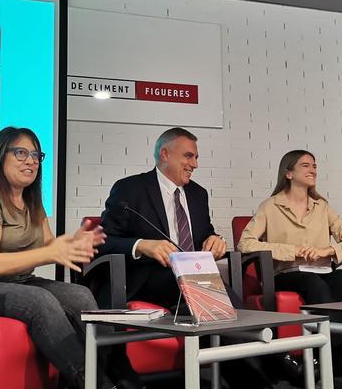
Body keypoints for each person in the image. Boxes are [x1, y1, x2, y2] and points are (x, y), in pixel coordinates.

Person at [0, 127, 142, 389]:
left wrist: (73, 244)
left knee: (79, 295)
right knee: (39, 300)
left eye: (36, 155)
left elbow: (50, 244)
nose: (31, 161)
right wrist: (52, 252)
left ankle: (118, 375)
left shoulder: (31, 199)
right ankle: (95, 384)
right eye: (20, 153)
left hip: (13, 282)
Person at [99, 127, 273, 389]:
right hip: (147, 277)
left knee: (215, 300)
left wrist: (215, 239)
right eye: (189, 156)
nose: (195, 164)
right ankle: (272, 360)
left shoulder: (197, 193)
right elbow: (103, 241)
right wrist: (141, 245)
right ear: (165, 154)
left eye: (196, 158)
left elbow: (205, 233)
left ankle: (257, 376)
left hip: (192, 281)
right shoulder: (130, 189)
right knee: (215, 297)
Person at [238, 149, 342, 389]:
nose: (313, 170)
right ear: (288, 173)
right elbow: (246, 243)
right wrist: (292, 250)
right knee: (314, 284)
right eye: (305, 165)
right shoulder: (270, 206)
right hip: (287, 273)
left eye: (314, 165)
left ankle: (324, 359)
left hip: (321, 270)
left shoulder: (322, 206)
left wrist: (326, 251)